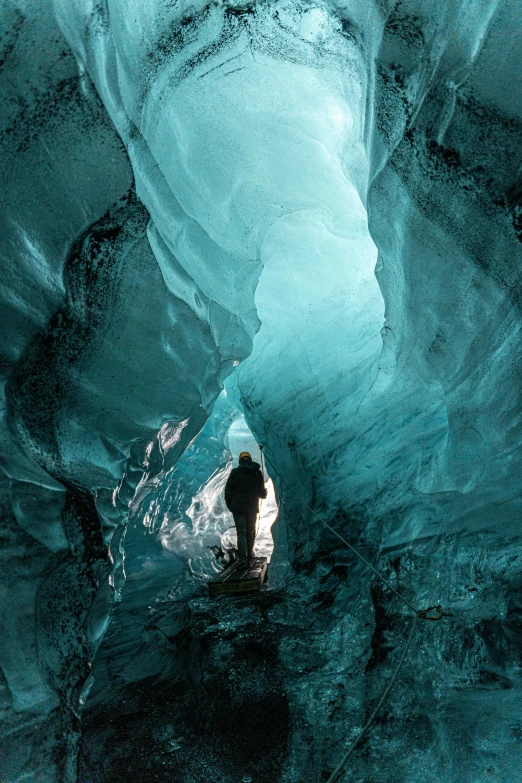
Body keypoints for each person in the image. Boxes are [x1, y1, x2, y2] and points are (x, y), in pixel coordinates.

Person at [224, 451, 267, 564]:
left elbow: (228, 491)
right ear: (250, 459)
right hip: (252, 507)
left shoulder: (235, 473)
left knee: (241, 533)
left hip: (237, 507)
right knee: (250, 531)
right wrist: (264, 493)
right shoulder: (257, 473)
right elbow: (262, 494)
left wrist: (231, 505)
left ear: (240, 460)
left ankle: (243, 559)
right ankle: (250, 554)